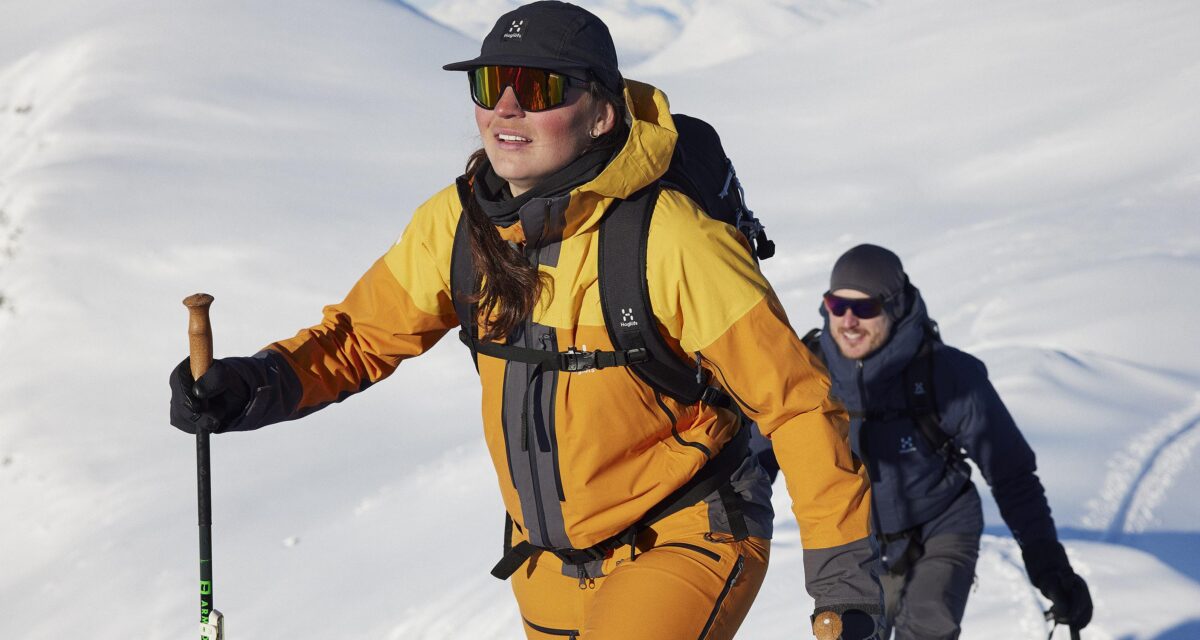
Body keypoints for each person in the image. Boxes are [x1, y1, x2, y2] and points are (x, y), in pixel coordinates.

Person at [167, 3, 883, 638]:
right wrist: (253, 384)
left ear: (600, 112)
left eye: (536, 89)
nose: (506, 107)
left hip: (684, 534)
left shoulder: (673, 238)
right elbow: (362, 337)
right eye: (489, 85)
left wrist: (845, 589)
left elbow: (797, 405)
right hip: (545, 560)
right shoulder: (456, 223)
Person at [754, 244, 1093, 639]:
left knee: (928, 628)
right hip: (855, 545)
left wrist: (1049, 568)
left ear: (895, 307)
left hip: (940, 530)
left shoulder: (948, 376)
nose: (848, 321)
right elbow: (755, 464)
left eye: (864, 309)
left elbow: (1012, 475)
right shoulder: (806, 377)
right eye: (836, 305)